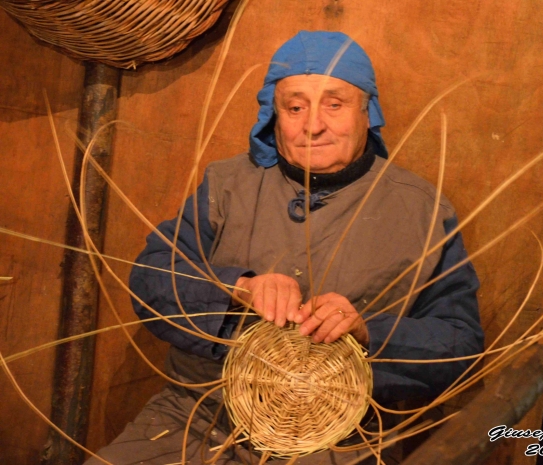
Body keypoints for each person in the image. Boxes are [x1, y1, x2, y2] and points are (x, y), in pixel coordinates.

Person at [86, 30, 483, 465]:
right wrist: (237, 288)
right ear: (272, 116)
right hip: (197, 417)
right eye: (295, 107)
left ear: (367, 112)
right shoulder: (227, 185)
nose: (313, 124)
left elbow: (461, 345)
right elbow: (151, 276)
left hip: (338, 439)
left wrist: (369, 331)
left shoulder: (422, 210)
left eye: (334, 104)